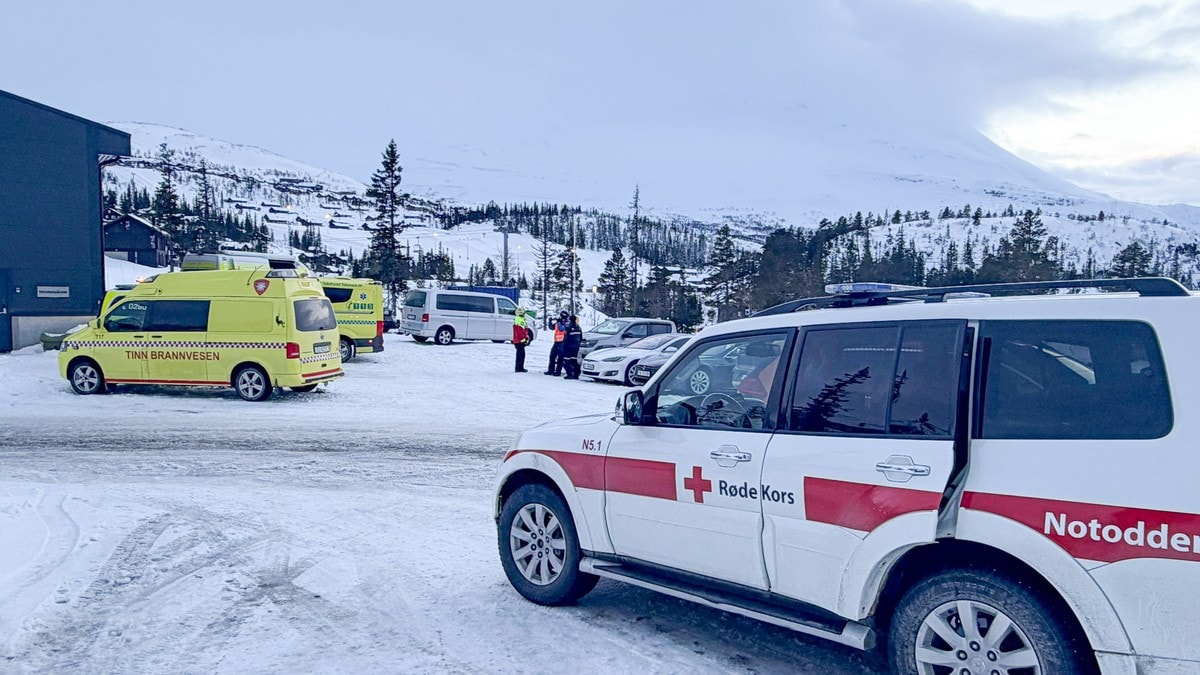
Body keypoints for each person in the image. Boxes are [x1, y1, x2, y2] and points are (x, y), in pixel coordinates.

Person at [544, 310, 570, 375]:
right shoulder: (559, 322)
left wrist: (558, 322)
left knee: (560, 358)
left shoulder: (566, 323)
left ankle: (558, 372)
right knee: (552, 356)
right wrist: (550, 322)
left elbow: (562, 328)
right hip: (556, 342)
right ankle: (551, 370)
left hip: (562, 342)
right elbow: (552, 327)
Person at [561, 315, 583, 379]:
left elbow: (565, 338)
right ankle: (576, 374)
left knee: (566, 360)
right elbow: (581, 337)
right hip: (576, 347)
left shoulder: (569, 327)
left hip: (569, 347)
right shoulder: (579, 327)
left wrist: (563, 345)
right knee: (574, 361)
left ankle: (569, 374)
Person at [512, 308, 532, 372]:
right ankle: (519, 368)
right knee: (521, 355)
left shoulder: (517, 319)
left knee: (520, 354)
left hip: (517, 340)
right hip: (520, 341)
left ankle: (519, 368)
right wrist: (524, 339)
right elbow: (521, 331)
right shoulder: (520, 321)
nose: (524, 314)